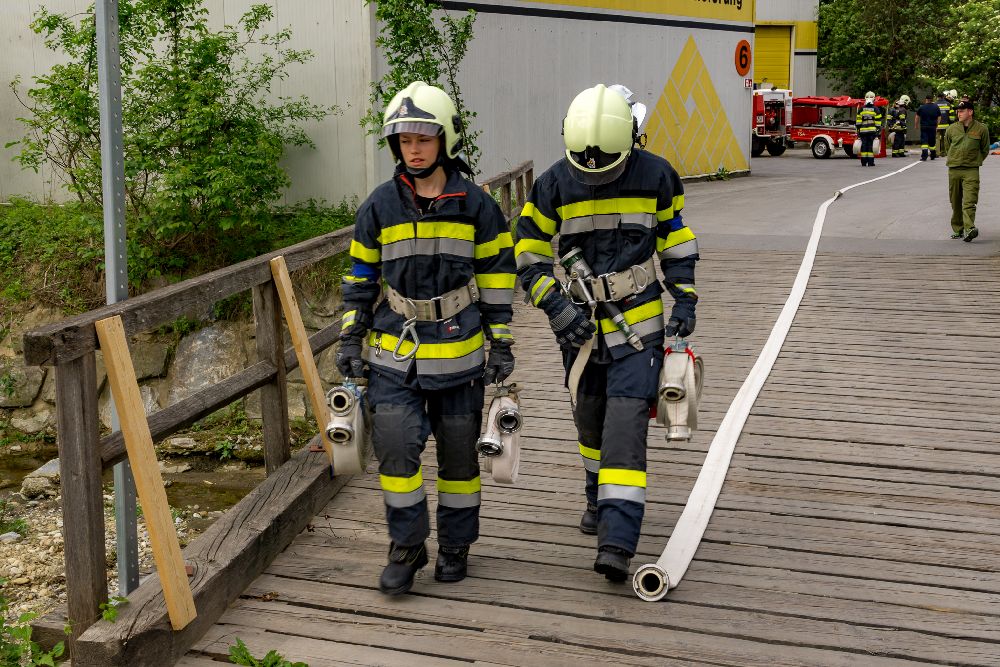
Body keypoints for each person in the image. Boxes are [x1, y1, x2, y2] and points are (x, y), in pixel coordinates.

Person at [336, 81, 516, 595]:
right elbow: (359, 279)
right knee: (395, 449)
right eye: (404, 140)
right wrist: (350, 338)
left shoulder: (477, 206)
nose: (413, 149)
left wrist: (501, 342)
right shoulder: (378, 207)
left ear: (445, 140)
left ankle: (456, 546)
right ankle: (407, 545)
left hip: (459, 355)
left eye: (423, 139)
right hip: (396, 351)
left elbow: (498, 278)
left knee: (459, 460)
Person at [513, 84, 698, 582]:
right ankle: (596, 496)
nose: (595, 174)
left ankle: (617, 540)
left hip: (639, 323)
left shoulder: (657, 176)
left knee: (625, 426)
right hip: (578, 329)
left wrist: (685, 297)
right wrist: (554, 304)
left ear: (631, 141)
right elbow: (527, 251)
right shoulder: (553, 184)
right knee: (590, 420)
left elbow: (675, 239)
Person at [942, 99, 991, 242]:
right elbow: (947, 146)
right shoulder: (951, 129)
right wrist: (955, 158)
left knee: (970, 201)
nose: (959, 113)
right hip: (954, 169)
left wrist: (975, 160)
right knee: (955, 201)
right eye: (958, 111)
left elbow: (985, 149)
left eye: (962, 111)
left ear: (970, 112)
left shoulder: (981, 129)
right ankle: (958, 229)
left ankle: (969, 228)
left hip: (971, 170)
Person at [855, 91, 883, 166]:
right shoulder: (876, 109)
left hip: (863, 131)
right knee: (870, 146)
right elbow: (878, 122)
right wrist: (878, 130)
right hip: (872, 131)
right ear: (874, 99)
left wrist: (858, 130)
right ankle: (871, 162)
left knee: (864, 146)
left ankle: (863, 162)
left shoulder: (861, 109)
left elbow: (858, 122)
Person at [916, 95, 941, 161]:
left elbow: (917, 117)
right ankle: (933, 155)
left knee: (924, 141)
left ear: (926, 99)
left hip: (924, 126)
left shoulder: (922, 107)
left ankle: (924, 156)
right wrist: (937, 125)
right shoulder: (936, 107)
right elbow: (939, 117)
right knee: (932, 141)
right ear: (932, 100)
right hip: (932, 127)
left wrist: (916, 125)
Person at [934, 90, 956, 159]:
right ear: (943, 97)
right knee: (944, 138)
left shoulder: (934, 104)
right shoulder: (948, 104)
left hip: (937, 125)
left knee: (937, 138)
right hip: (946, 125)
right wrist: (951, 122)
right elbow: (952, 115)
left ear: (937, 97)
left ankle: (937, 153)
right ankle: (944, 152)